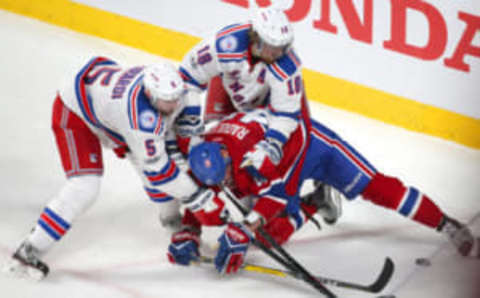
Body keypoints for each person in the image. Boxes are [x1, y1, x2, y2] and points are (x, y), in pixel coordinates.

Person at [167, 109, 479, 274]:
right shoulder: (202, 154)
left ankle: (448, 224)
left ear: (225, 157)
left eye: (227, 178)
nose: (225, 186)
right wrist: (189, 231)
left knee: (380, 189)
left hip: (312, 146)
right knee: (267, 237)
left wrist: (245, 228)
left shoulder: (254, 154)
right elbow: (196, 194)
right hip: (276, 169)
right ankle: (317, 201)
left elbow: (273, 195)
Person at [3, 56, 206, 281]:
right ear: (149, 94)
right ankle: (30, 250)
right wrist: (198, 196)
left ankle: (172, 222)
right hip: (76, 112)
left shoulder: (176, 91)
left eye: (176, 98)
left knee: (156, 168)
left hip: (107, 108)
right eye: (167, 101)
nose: (174, 105)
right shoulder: (140, 119)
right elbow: (160, 172)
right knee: (85, 187)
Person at [179, 8, 312, 186]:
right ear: (254, 37)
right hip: (232, 92)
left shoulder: (288, 67)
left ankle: (318, 188)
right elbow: (189, 76)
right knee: (213, 138)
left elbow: (286, 114)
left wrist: (272, 143)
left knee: (298, 146)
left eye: (282, 47)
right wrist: (191, 118)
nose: (277, 53)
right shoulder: (226, 44)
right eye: (271, 46)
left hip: (273, 104)